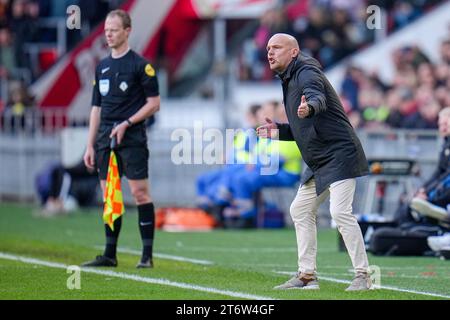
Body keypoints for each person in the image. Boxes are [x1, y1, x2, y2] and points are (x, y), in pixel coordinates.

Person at [258, 33, 371, 291]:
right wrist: (278, 130)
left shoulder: (307, 71)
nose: (270, 53)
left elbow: (315, 97)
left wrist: (310, 107)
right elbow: (302, 128)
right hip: (320, 161)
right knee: (299, 210)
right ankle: (307, 276)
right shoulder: (288, 78)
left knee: (340, 212)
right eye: (268, 48)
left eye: (276, 48)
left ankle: (363, 275)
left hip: (340, 153)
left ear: (294, 52)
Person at [82, 10, 160, 268]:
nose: (108, 34)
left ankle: (146, 256)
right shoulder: (102, 66)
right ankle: (109, 254)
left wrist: (128, 123)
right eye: (106, 30)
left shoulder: (141, 65)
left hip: (132, 136)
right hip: (105, 137)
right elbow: (96, 108)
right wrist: (90, 144)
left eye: (113, 30)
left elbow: (154, 104)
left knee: (139, 193)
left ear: (127, 31)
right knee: (110, 196)